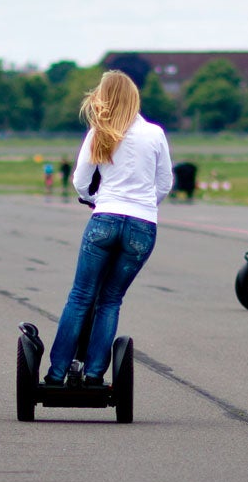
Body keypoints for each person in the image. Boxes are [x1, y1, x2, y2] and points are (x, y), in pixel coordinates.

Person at [42, 69, 173, 386]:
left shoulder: (99, 132)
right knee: (111, 300)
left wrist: (95, 199)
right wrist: (143, 206)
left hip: (105, 219)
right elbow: (165, 184)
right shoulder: (155, 134)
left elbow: (80, 181)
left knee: (80, 296)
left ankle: (57, 372)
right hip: (142, 226)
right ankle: (94, 374)